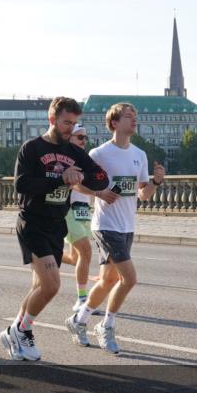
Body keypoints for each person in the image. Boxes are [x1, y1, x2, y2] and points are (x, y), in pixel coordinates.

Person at [0, 97, 109, 362]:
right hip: (33, 222)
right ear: (52, 120)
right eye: (65, 123)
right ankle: (21, 330)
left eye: (73, 124)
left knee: (39, 285)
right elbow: (22, 185)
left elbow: (100, 177)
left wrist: (83, 177)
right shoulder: (32, 148)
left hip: (56, 224)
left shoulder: (73, 152)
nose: (69, 129)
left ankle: (13, 332)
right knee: (51, 285)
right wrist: (60, 178)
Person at [66, 102, 164, 354]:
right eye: (128, 116)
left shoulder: (139, 154)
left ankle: (79, 320)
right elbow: (76, 184)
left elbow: (144, 195)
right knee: (129, 279)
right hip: (106, 225)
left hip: (127, 224)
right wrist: (100, 191)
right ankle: (106, 325)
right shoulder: (99, 154)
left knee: (109, 279)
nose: (134, 120)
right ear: (114, 123)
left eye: (135, 116)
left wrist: (155, 181)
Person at [60, 124, 103, 317]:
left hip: (83, 211)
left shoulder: (85, 159)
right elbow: (75, 186)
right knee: (86, 251)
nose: (84, 141)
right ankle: (82, 299)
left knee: (76, 257)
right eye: (80, 137)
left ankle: (44, 253)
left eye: (85, 138)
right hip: (68, 210)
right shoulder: (65, 159)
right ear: (69, 138)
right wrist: (98, 193)